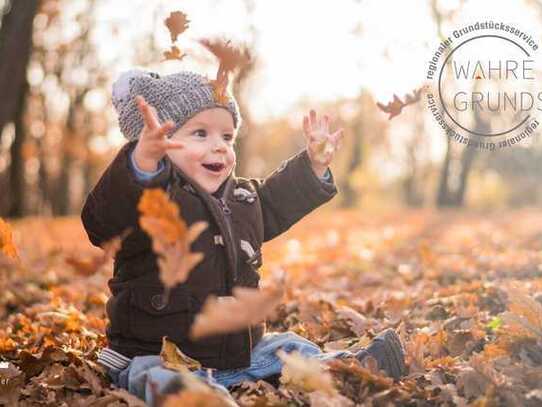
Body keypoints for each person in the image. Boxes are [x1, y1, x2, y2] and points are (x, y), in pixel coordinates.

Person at [81, 70, 406, 406]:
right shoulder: (149, 200)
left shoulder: (244, 199)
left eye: (227, 136)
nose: (218, 147)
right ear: (160, 144)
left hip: (239, 353)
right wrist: (142, 165)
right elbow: (102, 223)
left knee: (289, 347)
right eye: (200, 133)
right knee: (154, 377)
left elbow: (278, 201)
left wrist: (312, 166)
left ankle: (346, 370)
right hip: (158, 353)